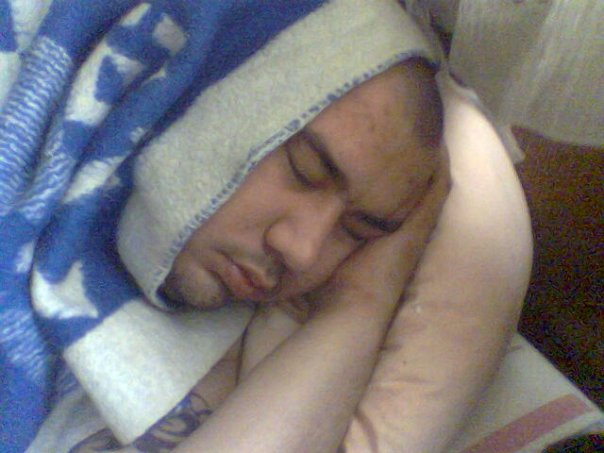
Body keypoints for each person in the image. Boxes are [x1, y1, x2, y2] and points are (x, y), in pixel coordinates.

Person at [0, 1, 532, 452]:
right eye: (305, 169)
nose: (303, 250)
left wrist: (360, 304)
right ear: (213, 80)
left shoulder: (245, 348)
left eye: (358, 230)